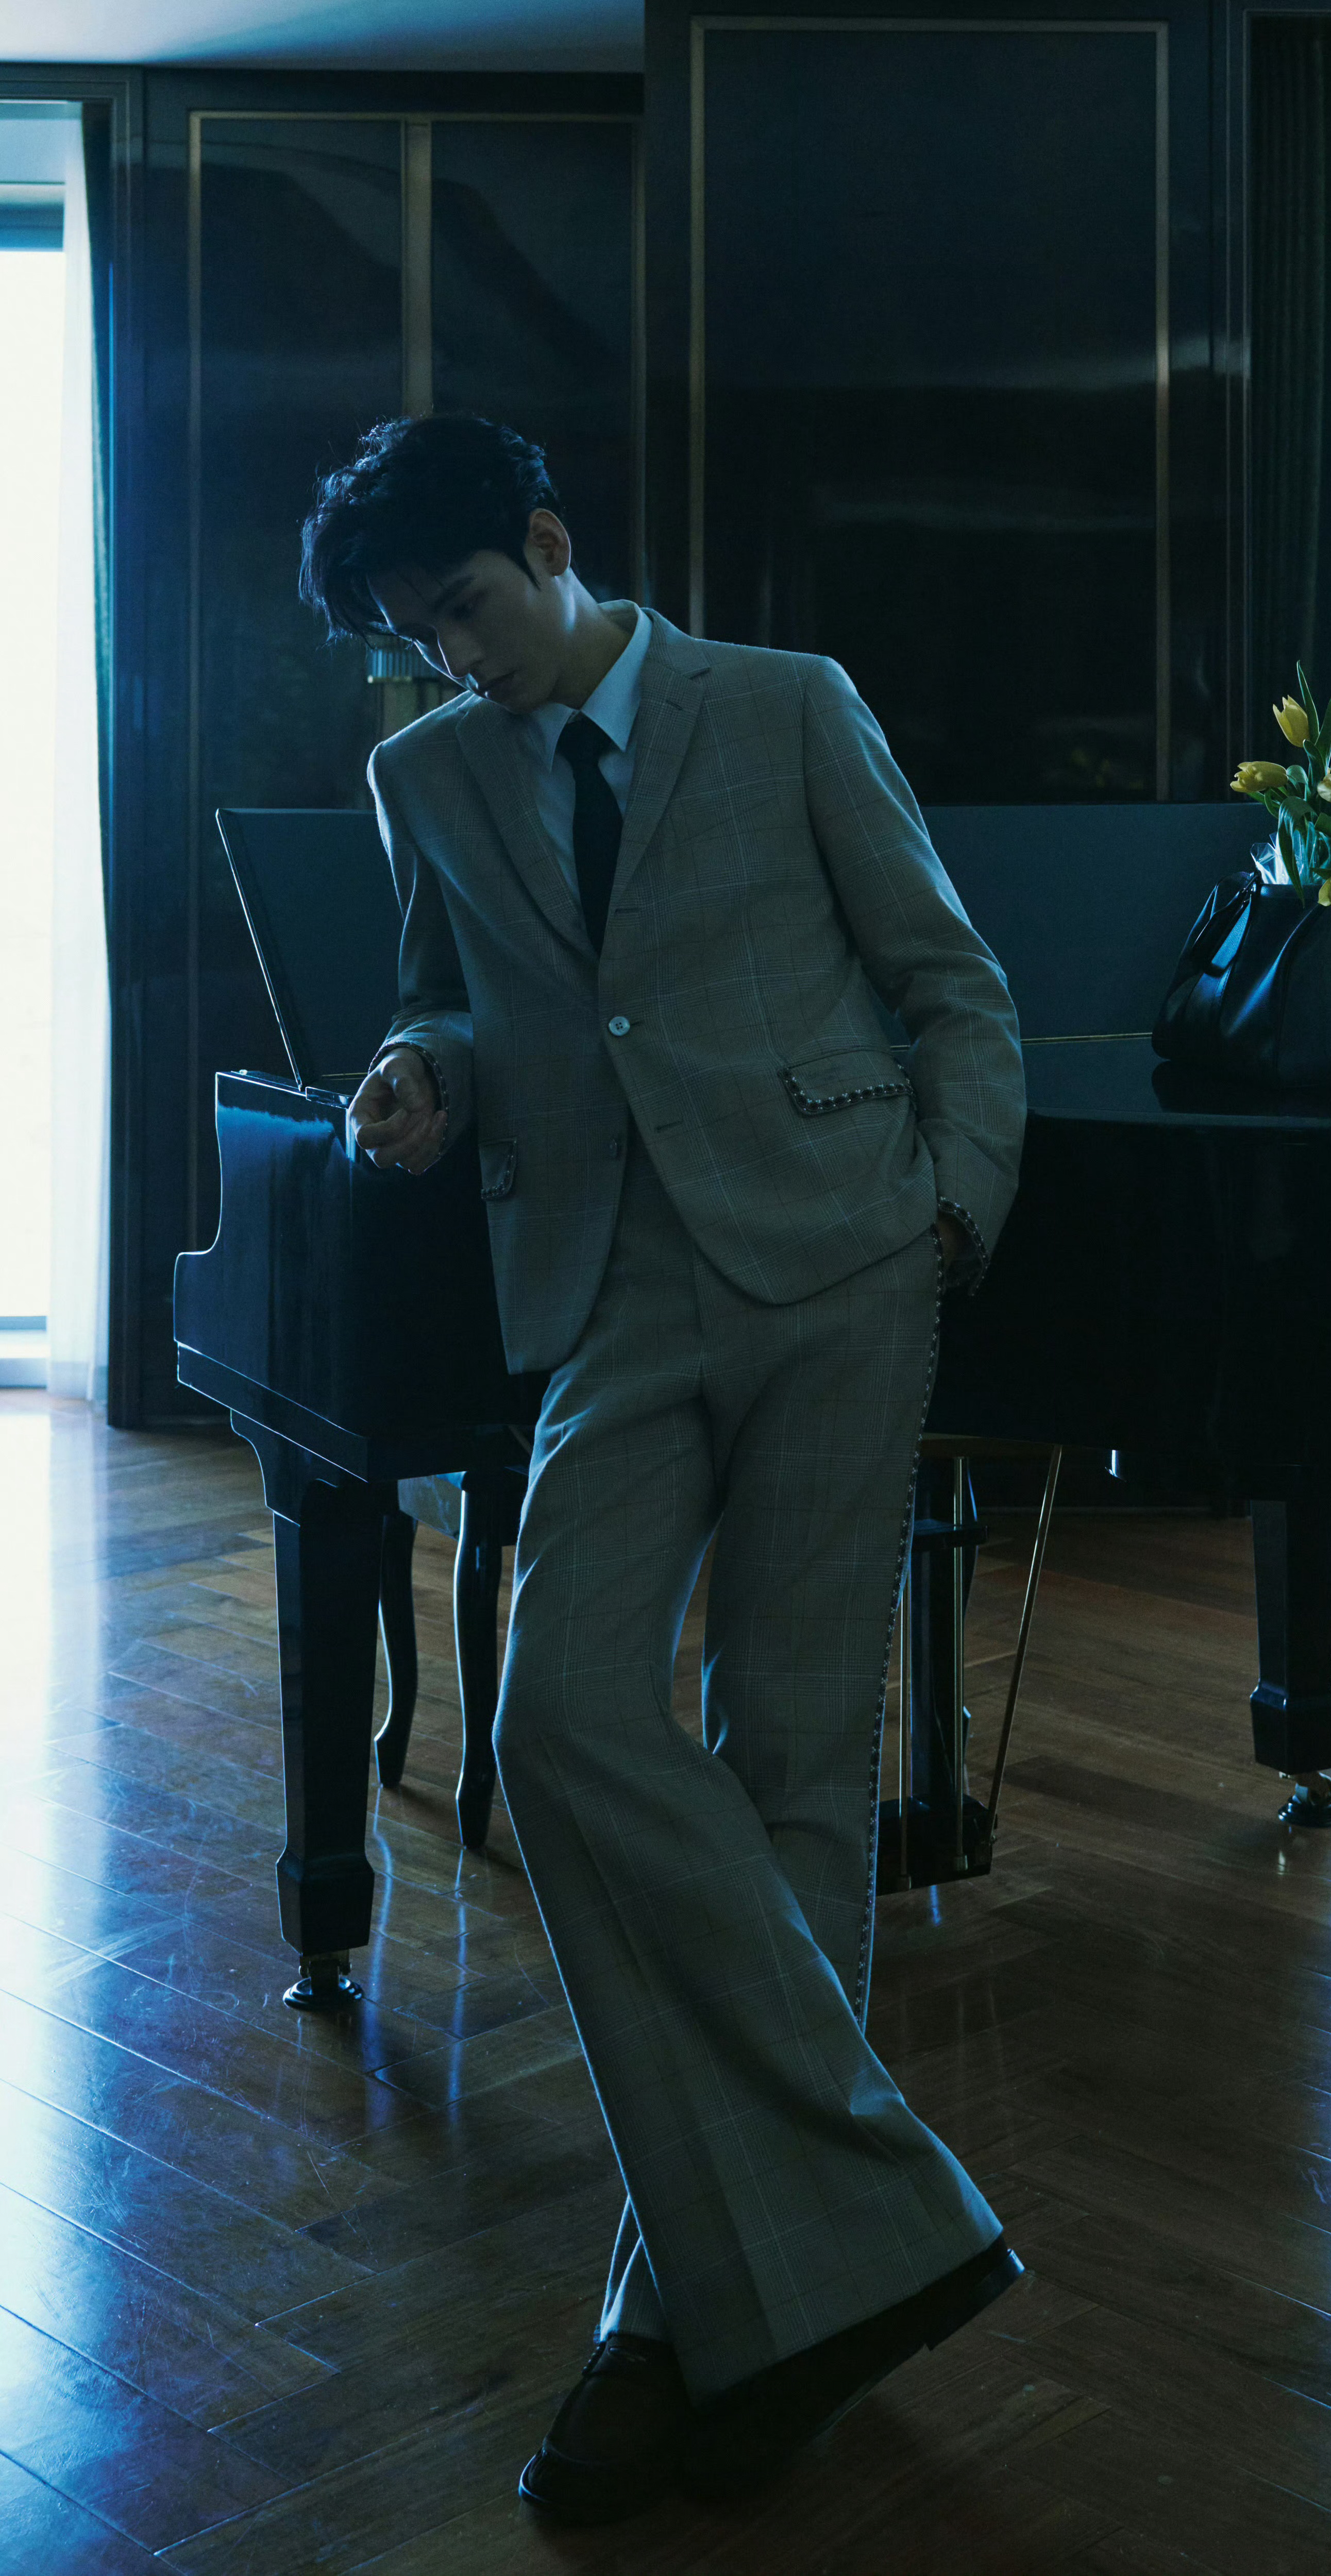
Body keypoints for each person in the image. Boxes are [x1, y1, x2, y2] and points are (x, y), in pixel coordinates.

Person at [298, 413, 1029, 2525]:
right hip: (608, 1296)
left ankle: (680, 2311)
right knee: (556, 1716)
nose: (454, 662)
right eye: (416, 641)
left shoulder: (783, 706)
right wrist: (415, 1072)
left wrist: (950, 1214)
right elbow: (446, 1002)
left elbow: (950, 982)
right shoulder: (426, 778)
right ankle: (871, 2223)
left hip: (842, 1267)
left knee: (795, 1754)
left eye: (465, 609)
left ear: (547, 542)